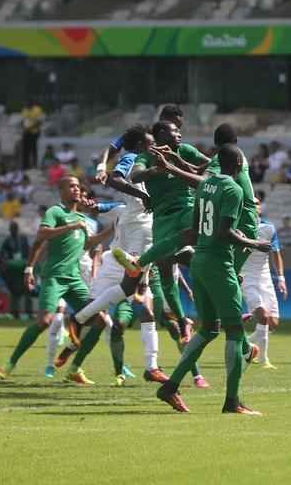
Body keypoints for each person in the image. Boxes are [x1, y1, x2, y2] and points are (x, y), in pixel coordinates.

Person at [155, 144, 271, 414]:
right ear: (240, 164)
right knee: (234, 331)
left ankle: (170, 386)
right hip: (219, 263)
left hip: (199, 262)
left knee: (208, 328)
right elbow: (225, 233)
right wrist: (254, 243)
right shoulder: (234, 189)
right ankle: (232, 402)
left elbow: (195, 229)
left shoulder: (205, 186)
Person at [66, 125, 170, 386]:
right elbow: (115, 178)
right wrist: (143, 194)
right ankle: (77, 322)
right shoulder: (132, 158)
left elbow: (115, 149)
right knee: (130, 290)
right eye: (148, 143)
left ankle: (152, 366)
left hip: (142, 228)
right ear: (139, 146)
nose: (152, 147)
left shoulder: (144, 158)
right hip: (139, 230)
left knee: (145, 307)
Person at [0, 177, 112, 383]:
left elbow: (87, 244)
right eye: (72, 186)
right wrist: (30, 268)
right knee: (44, 321)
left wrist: (113, 230)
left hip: (74, 279)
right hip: (54, 277)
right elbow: (42, 234)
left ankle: (75, 368)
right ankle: (10, 363)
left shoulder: (82, 219)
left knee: (101, 320)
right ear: (61, 191)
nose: (76, 189)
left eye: (78, 186)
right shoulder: (55, 212)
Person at [112, 120, 209, 342]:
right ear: (160, 133)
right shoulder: (146, 156)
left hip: (186, 207)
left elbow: (211, 164)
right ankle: (183, 320)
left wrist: (182, 164)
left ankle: (140, 262)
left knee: (197, 231)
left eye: (179, 129)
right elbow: (135, 176)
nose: (179, 133)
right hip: (162, 217)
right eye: (174, 130)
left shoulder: (185, 150)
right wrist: (157, 169)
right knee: (166, 270)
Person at [241, 200, 287, 368]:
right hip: (246, 277)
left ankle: (244, 343)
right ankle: (263, 360)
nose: (256, 206)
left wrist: (281, 278)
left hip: (265, 277)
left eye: (258, 203)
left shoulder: (269, 228)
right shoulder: (239, 226)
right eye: (252, 204)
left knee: (273, 323)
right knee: (263, 317)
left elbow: (276, 254)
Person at [0, 220, 32, 319]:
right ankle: (14, 312)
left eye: (15, 228)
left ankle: (28, 312)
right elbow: (2, 254)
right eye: (12, 228)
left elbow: (28, 251)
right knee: (14, 291)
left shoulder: (23, 239)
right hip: (13, 269)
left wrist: (28, 262)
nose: (13, 230)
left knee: (27, 289)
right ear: (10, 230)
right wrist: (6, 262)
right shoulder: (7, 240)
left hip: (23, 267)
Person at [20, 99, 44, 169]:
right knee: (25, 150)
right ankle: (25, 166)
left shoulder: (38, 110)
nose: (27, 105)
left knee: (34, 149)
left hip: (34, 133)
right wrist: (24, 128)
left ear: (32, 104)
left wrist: (29, 128)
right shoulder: (24, 110)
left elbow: (39, 122)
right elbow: (22, 121)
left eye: (28, 104)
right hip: (26, 132)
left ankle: (35, 165)